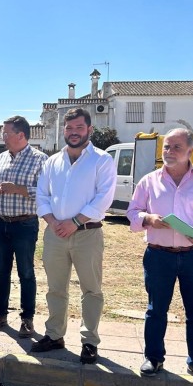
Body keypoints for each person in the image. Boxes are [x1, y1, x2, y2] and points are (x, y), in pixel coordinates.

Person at [126, 128, 193, 384]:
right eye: (166, 147)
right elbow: (132, 213)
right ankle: (154, 358)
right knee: (155, 310)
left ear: (190, 150)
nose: (169, 152)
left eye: (176, 147)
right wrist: (147, 218)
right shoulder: (149, 181)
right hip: (159, 256)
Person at [32, 107, 116, 364]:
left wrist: (75, 222)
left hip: (87, 235)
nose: (74, 132)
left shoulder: (102, 160)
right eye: (69, 128)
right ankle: (55, 335)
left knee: (91, 290)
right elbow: (42, 195)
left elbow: (104, 199)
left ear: (89, 130)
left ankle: (89, 341)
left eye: (79, 127)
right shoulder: (52, 161)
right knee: (55, 289)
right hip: (55, 234)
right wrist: (53, 221)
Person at [0, 116, 48, 338]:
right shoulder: (1, 158)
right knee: (1, 272)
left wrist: (18, 189)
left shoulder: (40, 159)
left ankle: (27, 319)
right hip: (0, 222)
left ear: (20, 135)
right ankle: (0, 314)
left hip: (25, 223)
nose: (2, 137)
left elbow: (44, 193)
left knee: (26, 272)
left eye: (5, 133)